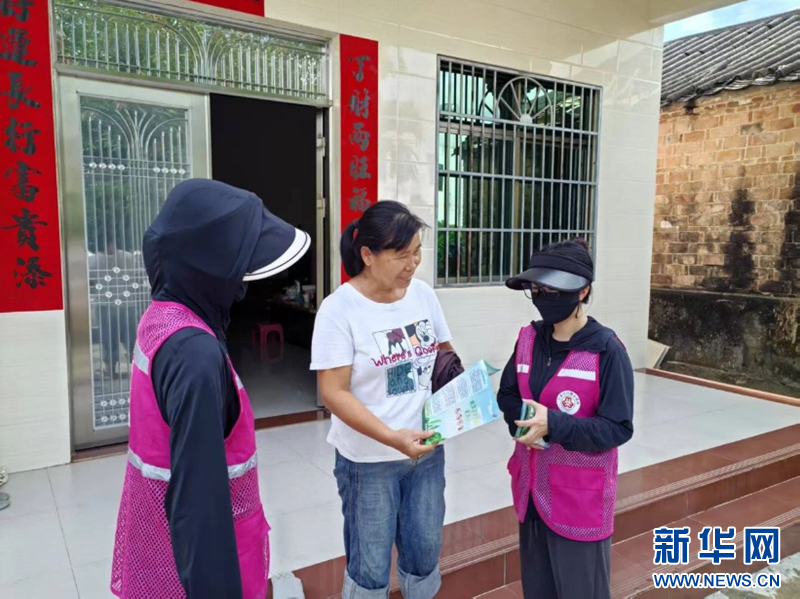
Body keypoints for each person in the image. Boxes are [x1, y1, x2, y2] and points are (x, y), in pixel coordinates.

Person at [110, 179, 310, 599]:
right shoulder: (195, 355)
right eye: (238, 267)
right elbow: (199, 506)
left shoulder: (162, 316)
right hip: (204, 566)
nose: (243, 284)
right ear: (210, 267)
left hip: (159, 537)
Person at [311, 201, 455, 599]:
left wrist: (460, 399)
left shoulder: (422, 295)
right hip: (368, 462)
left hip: (426, 452)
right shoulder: (339, 310)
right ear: (368, 255)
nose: (413, 264)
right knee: (371, 566)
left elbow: (443, 354)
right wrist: (393, 438)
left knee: (424, 552)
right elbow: (333, 392)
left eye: (417, 252)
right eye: (401, 255)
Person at [497, 239, 634, 599]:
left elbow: (618, 427)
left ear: (583, 291)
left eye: (554, 290)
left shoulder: (606, 350)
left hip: (579, 501)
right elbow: (508, 394)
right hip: (531, 493)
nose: (543, 298)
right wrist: (525, 422)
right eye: (537, 289)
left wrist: (554, 425)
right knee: (538, 589)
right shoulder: (528, 339)